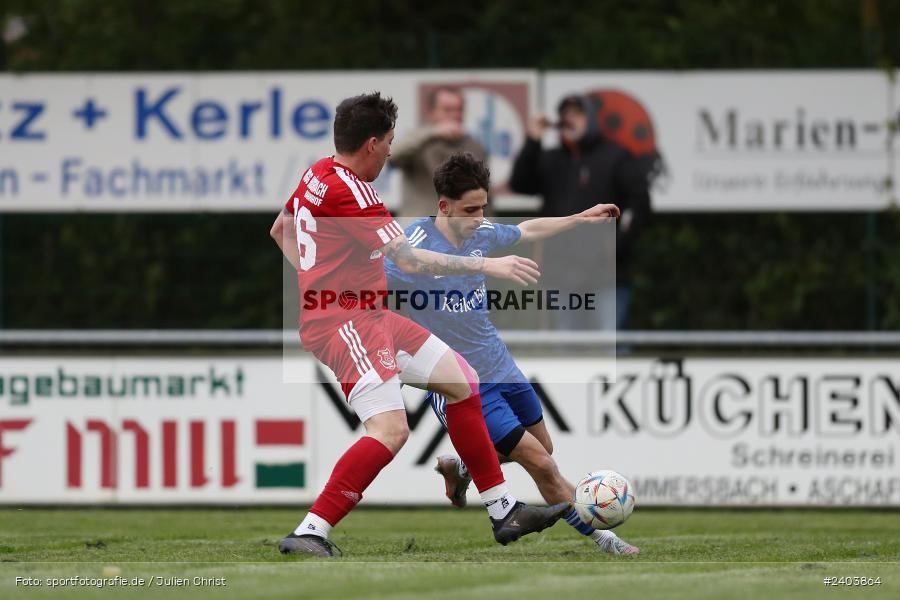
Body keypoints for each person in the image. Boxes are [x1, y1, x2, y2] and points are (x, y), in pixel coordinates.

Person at [269, 92, 569, 558]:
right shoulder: (354, 192)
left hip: (372, 315)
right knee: (390, 431)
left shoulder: (316, 175)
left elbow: (281, 228)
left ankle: (503, 509)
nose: (391, 151)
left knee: (463, 382)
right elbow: (410, 258)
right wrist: (489, 267)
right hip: (346, 322)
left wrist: (313, 282)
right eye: (388, 141)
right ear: (371, 143)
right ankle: (312, 529)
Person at [384, 152, 640, 555]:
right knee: (542, 463)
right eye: (470, 209)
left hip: (501, 365)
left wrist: (580, 218)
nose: (479, 216)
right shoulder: (414, 244)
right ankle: (604, 537)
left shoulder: (480, 231)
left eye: (484, 206)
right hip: (462, 381)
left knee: (544, 448)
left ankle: (465, 464)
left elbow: (526, 230)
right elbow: (374, 276)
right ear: (444, 206)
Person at [509, 93, 651, 332]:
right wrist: (533, 139)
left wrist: (615, 246)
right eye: (565, 115)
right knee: (566, 351)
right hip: (560, 273)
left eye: (577, 115)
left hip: (607, 276)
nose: (569, 120)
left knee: (610, 346)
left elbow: (640, 205)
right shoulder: (552, 159)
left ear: (592, 119)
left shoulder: (616, 157)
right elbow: (520, 183)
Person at [388, 86, 487, 218]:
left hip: (460, 231)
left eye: (459, 110)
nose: (454, 115)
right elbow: (392, 157)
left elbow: (484, 195)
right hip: (420, 228)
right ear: (431, 112)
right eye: (447, 110)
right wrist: (432, 133)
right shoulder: (418, 140)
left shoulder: (474, 147)